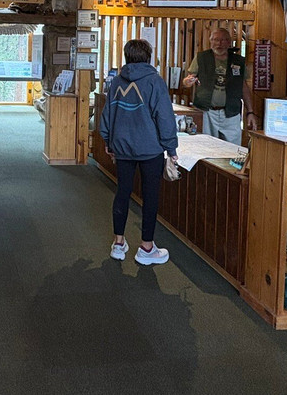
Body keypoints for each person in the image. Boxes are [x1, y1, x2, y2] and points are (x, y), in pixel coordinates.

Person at [99, 39, 178, 266]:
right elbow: (164, 117)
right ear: (148, 57)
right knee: (150, 196)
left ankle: (118, 243)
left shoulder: (116, 82)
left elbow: (108, 114)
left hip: (122, 148)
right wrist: (171, 148)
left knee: (122, 192)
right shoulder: (155, 82)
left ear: (126, 57)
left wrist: (108, 140)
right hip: (150, 149)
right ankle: (146, 248)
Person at [181, 27, 256, 145]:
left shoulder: (238, 61)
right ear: (211, 41)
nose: (219, 43)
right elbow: (188, 79)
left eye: (223, 40)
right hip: (207, 111)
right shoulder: (201, 58)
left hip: (231, 112)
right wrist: (188, 82)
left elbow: (244, 87)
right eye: (216, 40)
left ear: (229, 43)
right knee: (206, 146)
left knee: (233, 149)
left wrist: (250, 112)